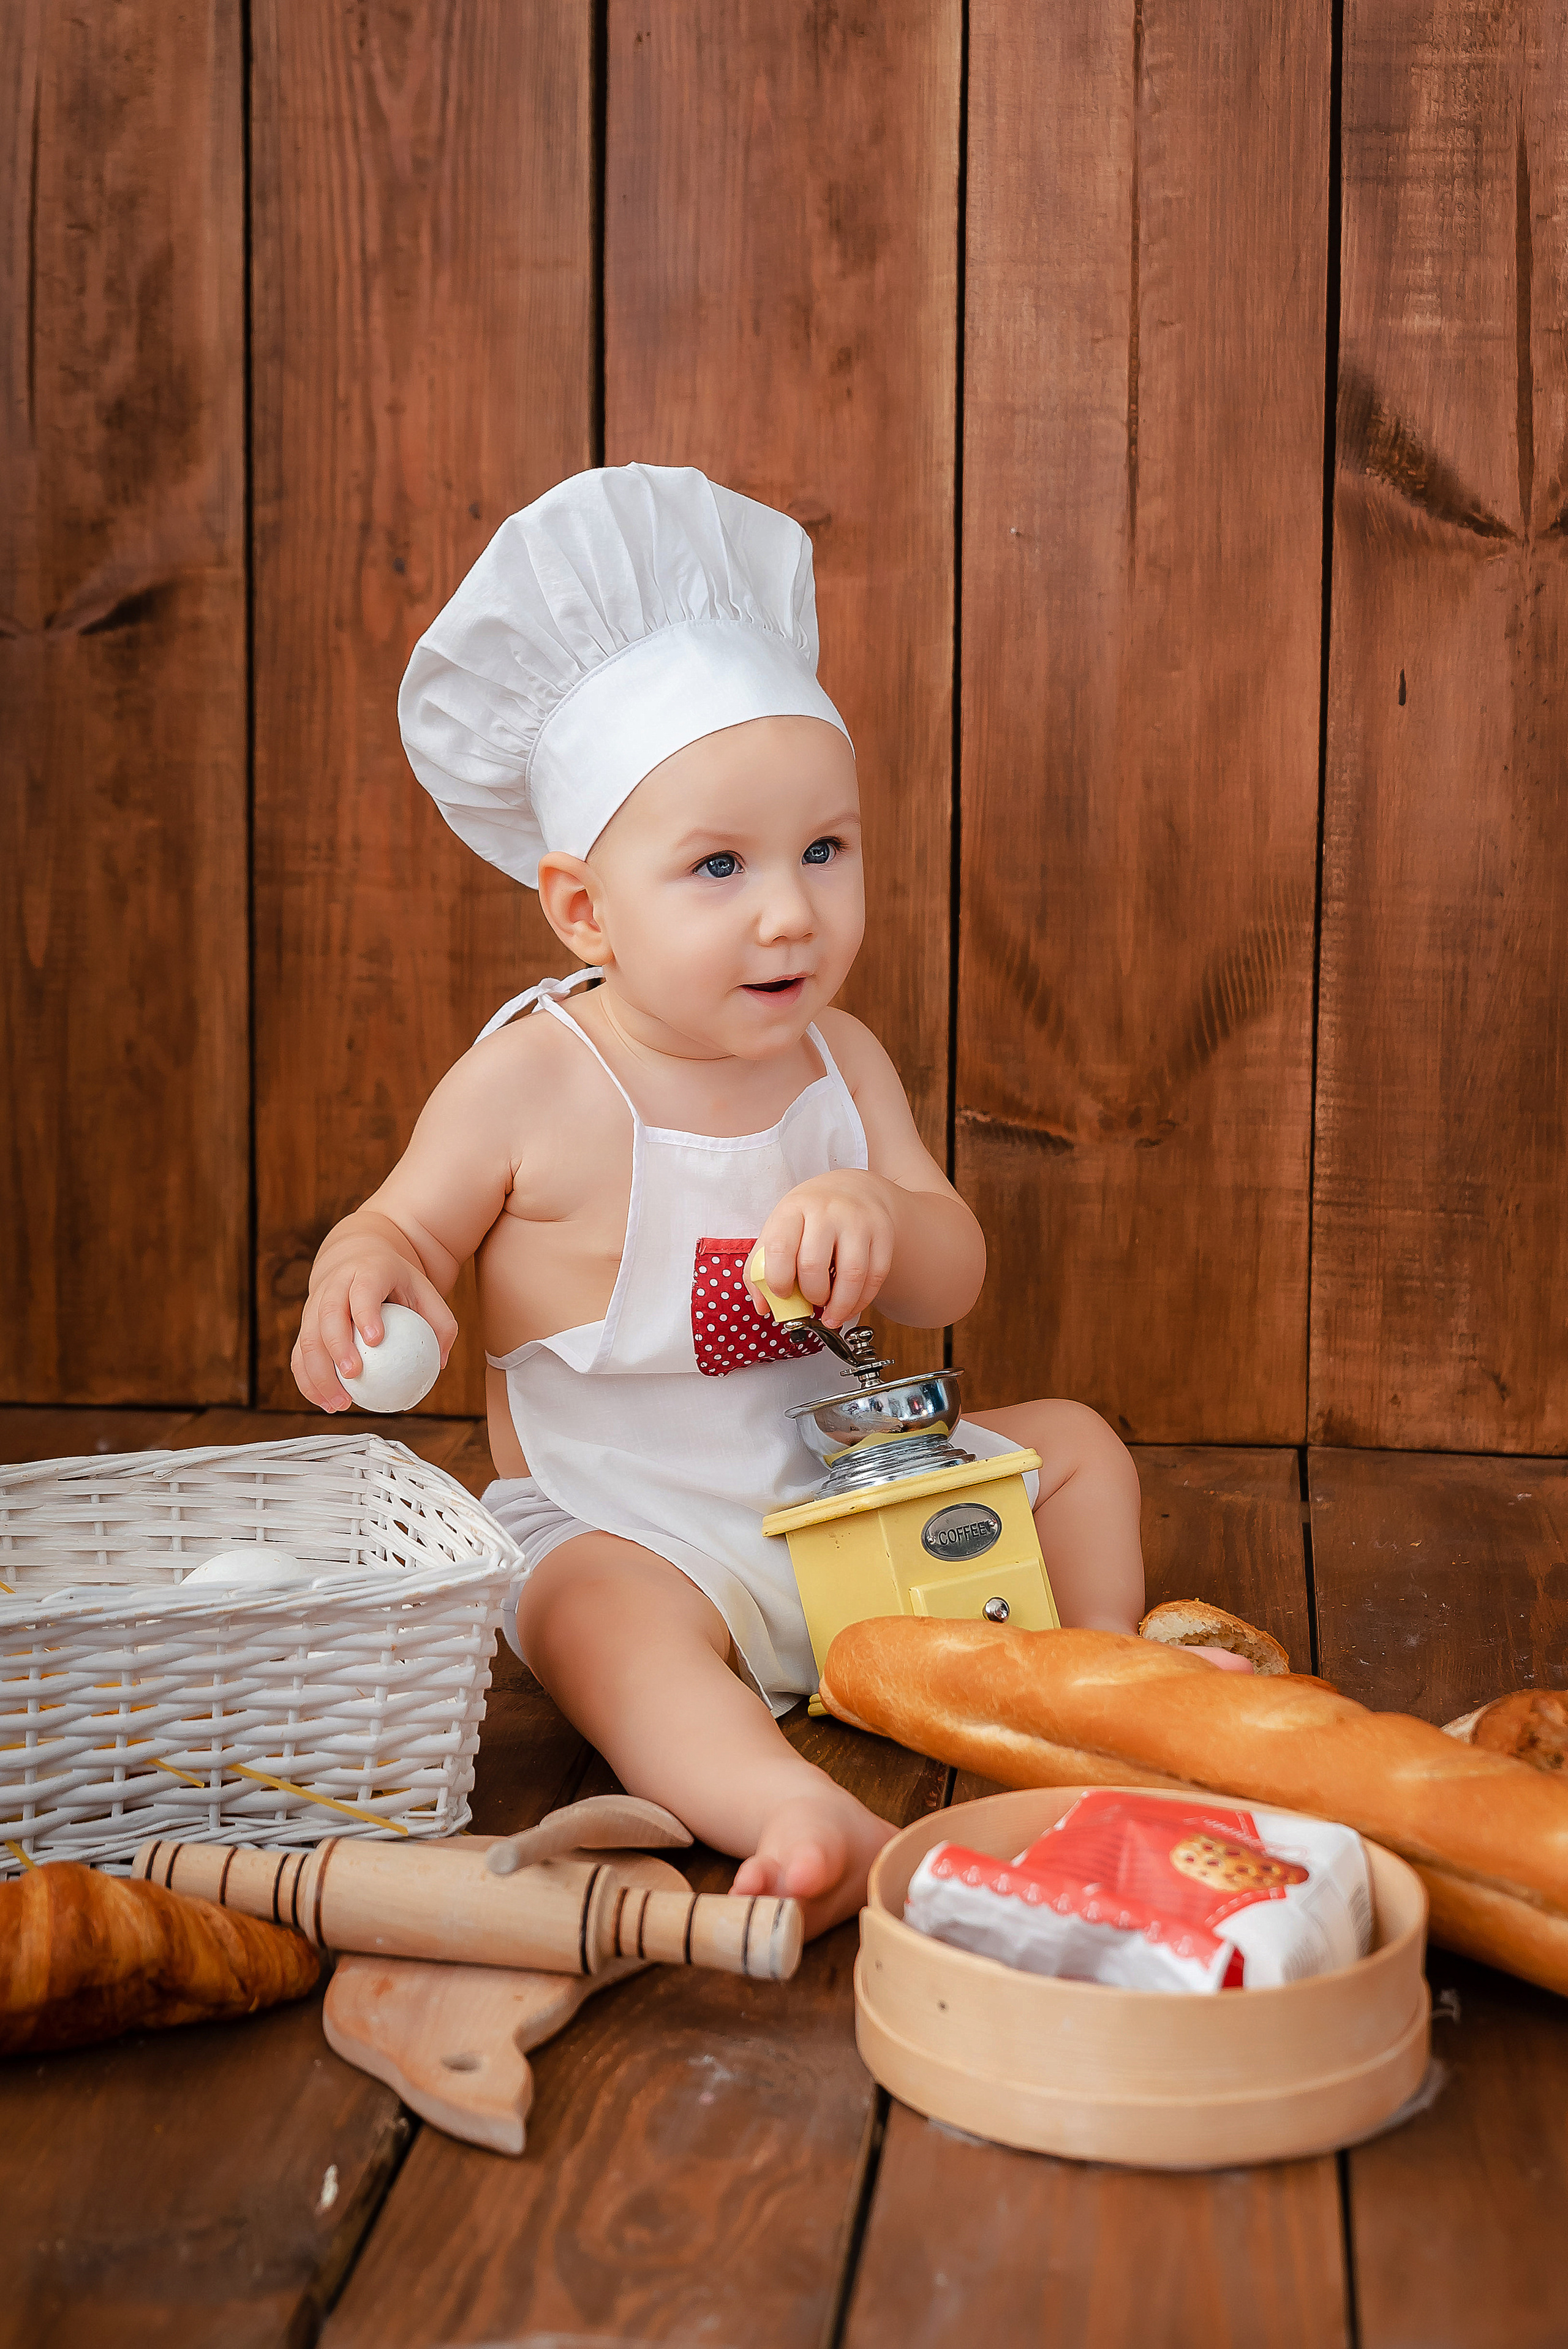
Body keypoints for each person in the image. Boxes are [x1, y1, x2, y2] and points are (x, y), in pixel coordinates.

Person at [292, 464, 1246, 1937]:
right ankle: (783, 1806)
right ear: (584, 909)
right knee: (587, 1615)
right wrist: (366, 1267)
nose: (789, 910)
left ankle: (1103, 1678)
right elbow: (405, 1227)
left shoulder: (837, 1062)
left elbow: (950, 1272)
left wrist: (881, 1211)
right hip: (635, 1525)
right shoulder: (530, 1081)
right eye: (719, 866)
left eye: (822, 850)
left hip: (845, 1500)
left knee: (1075, 1450)